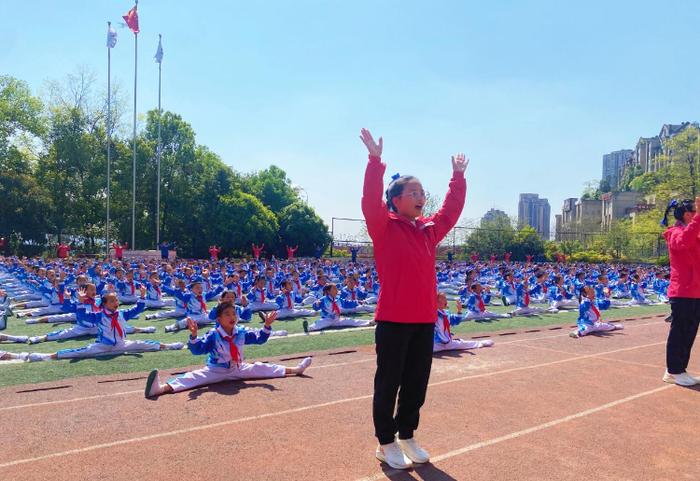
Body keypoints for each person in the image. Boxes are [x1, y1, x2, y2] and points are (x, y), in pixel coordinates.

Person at [360, 128, 466, 470]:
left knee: (417, 383)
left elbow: (449, 213)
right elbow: (369, 200)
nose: (421, 197)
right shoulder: (384, 226)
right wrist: (375, 161)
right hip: (392, 319)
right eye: (413, 192)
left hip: (423, 319)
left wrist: (458, 178)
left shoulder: (427, 231)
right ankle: (386, 442)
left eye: (422, 192)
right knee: (388, 382)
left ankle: (407, 434)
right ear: (396, 199)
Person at [144, 304, 311, 398]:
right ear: (218, 319)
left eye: (234, 314)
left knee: (261, 367)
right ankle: (160, 389)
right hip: (216, 370)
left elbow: (260, 338)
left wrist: (267, 325)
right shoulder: (213, 335)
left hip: (238, 368)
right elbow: (197, 350)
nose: (232, 317)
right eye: (227, 314)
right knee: (192, 377)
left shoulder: (241, 332)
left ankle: (295, 369)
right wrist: (194, 335)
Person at [661, 198, 700, 386]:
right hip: (682, 291)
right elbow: (683, 242)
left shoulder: (694, 234)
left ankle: (678, 370)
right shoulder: (675, 233)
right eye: (695, 211)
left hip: (695, 292)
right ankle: (674, 370)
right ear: (688, 215)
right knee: (680, 332)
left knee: (689, 332)